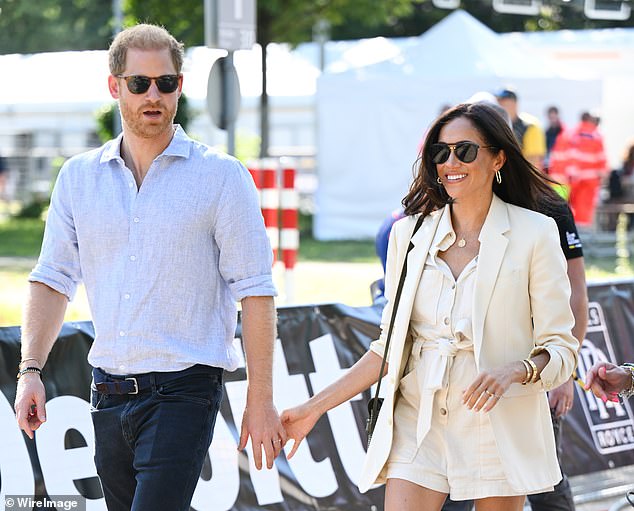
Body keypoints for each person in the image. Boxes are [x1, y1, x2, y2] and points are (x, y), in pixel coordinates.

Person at [14, 24, 285, 511]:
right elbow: (53, 278)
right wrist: (30, 370)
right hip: (107, 392)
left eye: (166, 82)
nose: (153, 95)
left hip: (185, 390)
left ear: (180, 86)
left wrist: (260, 399)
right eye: (139, 83)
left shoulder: (221, 177)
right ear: (115, 86)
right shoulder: (78, 178)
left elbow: (256, 291)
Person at [282, 102, 579, 511]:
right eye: (441, 152)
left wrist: (516, 370)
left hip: (497, 422)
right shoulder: (409, 234)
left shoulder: (535, 234)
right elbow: (387, 349)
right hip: (417, 421)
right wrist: (311, 409)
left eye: (465, 151)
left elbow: (561, 350)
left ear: (499, 158)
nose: (450, 162)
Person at [549, 112, 609, 227]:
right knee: (583, 215)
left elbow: (556, 156)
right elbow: (602, 162)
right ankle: (581, 237)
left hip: (564, 181)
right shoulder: (595, 136)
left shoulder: (568, 134)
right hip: (588, 181)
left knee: (561, 212)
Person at [496, 88, 547, 172]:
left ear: (513, 103)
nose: (499, 104)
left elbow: (534, 161)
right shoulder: (499, 125)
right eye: (498, 101)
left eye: (502, 101)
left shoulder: (529, 126)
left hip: (522, 177)